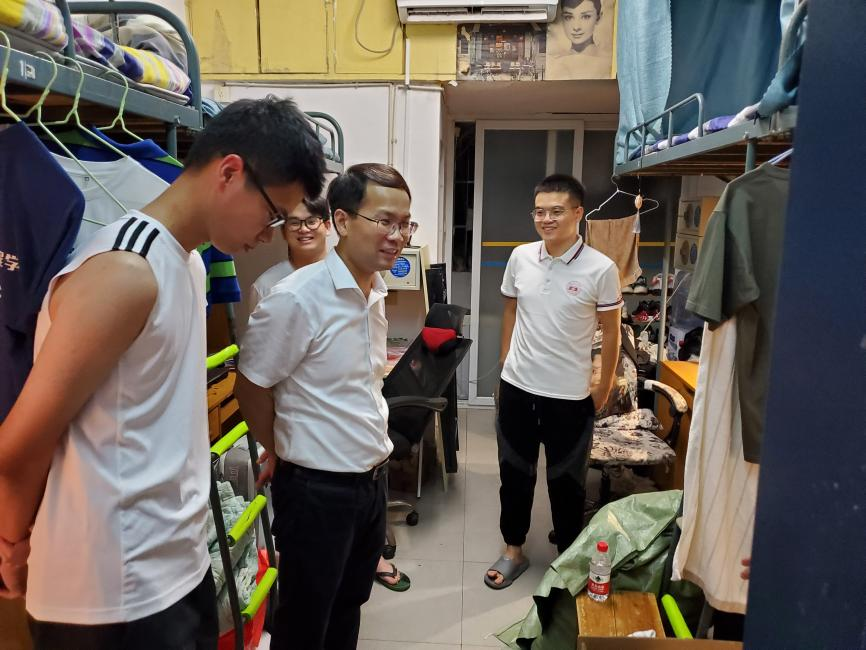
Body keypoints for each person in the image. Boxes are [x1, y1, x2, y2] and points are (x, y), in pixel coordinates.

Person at [0, 96, 325, 649]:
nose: (272, 233)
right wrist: (13, 545)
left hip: (177, 569)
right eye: (274, 213)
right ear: (230, 172)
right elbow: (20, 444)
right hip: (109, 596)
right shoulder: (124, 271)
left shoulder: (188, 261)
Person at [236, 163, 417, 649]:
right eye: (385, 221)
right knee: (305, 620)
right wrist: (279, 450)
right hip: (318, 490)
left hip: (370, 482)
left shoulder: (375, 291)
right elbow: (251, 386)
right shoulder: (296, 298)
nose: (398, 236)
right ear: (342, 221)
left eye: (405, 224)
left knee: (348, 606)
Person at [485, 174, 622, 589]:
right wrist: (505, 360)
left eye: (556, 211)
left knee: (567, 482)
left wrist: (603, 386)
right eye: (539, 211)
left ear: (578, 213)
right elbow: (511, 309)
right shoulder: (521, 257)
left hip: (569, 395)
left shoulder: (601, 268)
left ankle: (566, 557)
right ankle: (513, 549)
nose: (546, 219)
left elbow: (612, 332)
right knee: (514, 474)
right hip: (518, 388)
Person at [546, 0, 611, 80]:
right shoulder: (555, 63)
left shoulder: (607, 64)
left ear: (598, 17)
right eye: (568, 17)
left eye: (586, 17)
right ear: (562, 18)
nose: (576, 27)